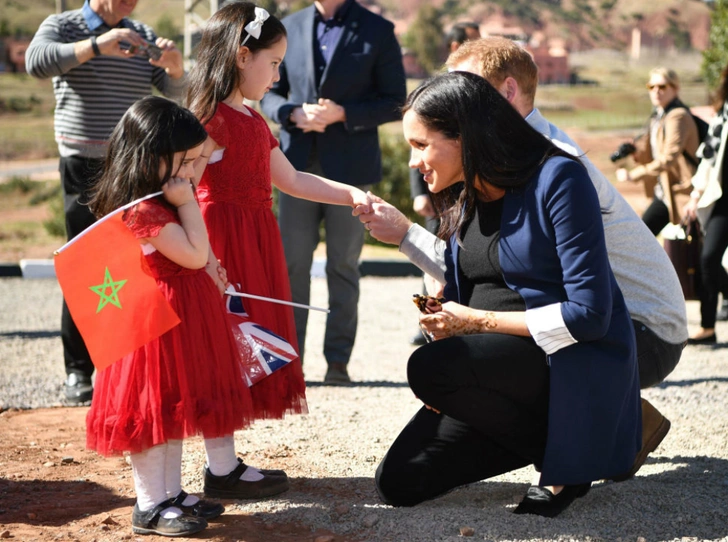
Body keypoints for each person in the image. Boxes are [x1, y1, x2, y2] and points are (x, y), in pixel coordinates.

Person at [359, 36, 687, 481]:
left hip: (631, 329)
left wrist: (472, 330)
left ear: (505, 94)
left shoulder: (555, 167)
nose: (461, 101)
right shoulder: (480, 173)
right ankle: (573, 438)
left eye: (470, 91)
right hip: (548, 325)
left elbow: (576, 304)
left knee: (442, 368)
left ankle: (596, 434)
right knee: (400, 478)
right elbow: (495, 267)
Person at [85, 96, 264, 537]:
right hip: (154, 326)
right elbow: (193, 252)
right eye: (183, 162)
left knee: (172, 408)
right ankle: (150, 504)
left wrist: (204, 254)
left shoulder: (157, 202)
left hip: (178, 319)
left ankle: (170, 493)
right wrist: (188, 204)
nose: (190, 173)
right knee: (154, 413)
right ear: (149, 156)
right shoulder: (145, 210)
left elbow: (199, 256)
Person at [25, 0, 186, 405]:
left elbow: (173, 91)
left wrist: (175, 67)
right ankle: (79, 371)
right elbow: (36, 62)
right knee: (87, 267)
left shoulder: (143, 36)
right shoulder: (63, 26)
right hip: (84, 168)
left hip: (135, 167)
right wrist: (98, 45)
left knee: (140, 266)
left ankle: (128, 369)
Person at [260, 0, 407, 385]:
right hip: (293, 167)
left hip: (353, 169)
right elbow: (268, 92)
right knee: (292, 266)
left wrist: (344, 114)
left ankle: (338, 364)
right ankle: (288, 363)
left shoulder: (378, 30)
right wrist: (291, 113)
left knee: (344, 265)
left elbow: (395, 100)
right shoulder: (287, 26)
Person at [409, 21, 481, 347]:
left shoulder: (480, 98)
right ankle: (431, 324)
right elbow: (420, 147)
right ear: (455, 48)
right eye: (472, 44)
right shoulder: (433, 92)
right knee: (435, 259)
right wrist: (418, 193)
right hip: (438, 192)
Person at [615, 68, 700, 236]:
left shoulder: (677, 116)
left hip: (681, 191)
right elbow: (653, 155)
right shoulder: (659, 116)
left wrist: (634, 174)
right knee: (641, 238)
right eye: (651, 86)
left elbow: (669, 157)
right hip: (664, 192)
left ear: (675, 88)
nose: (656, 91)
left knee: (698, 252)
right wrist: (635, 152)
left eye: (662, 86)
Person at [684, 63, 728, 344]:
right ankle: (708, 327)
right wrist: (695, 194)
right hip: (722, 198)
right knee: (708, 259)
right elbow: (708, 158)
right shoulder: (723, 113)